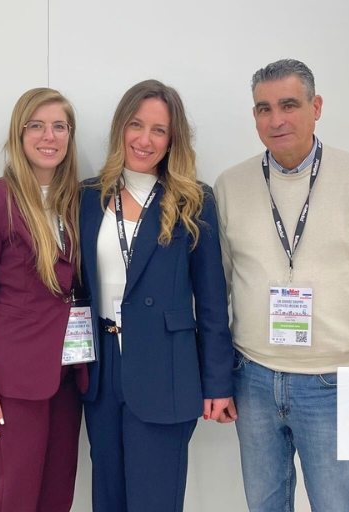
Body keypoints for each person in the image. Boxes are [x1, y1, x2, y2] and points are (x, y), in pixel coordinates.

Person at [214, 59, 349, 512]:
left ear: (315, 107)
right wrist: (218, 373)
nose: (276, 120)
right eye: (264, 109)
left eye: (289, 105)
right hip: (253, 378)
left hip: (334, 383)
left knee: (335, 505)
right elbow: (218, 289)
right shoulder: (231, 185)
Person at [78, 79, 234, 512]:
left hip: (166, 371)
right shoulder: (89, 196)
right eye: (136, 125)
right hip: (103, 371)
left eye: (159, 130)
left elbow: (212, 300)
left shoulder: (192, 199)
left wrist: (218, 382)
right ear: (120, 128)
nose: (144, 140)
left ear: (172, 139)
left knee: (155, 500)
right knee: (107, 498)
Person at [0, 88, 88, 512]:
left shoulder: (78, 202)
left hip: (68, 377)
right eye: (37, 125)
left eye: (59, 126)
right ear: (19, 133)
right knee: (15, 498)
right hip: (14, 383)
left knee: (57, 498)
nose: (49, 136)